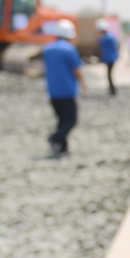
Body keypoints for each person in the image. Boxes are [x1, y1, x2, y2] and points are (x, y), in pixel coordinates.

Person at [42, 18, 86, 157]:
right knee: (71, 120)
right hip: (67, 91)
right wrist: (83, 83)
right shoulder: (69, 49)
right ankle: (55, 138)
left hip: (52, 91)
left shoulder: (47, 49)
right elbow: (77, 69)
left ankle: (63, 148)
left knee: (61, 120)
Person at [96, 18, 119, 96]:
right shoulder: (111, 36)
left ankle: (112, 90)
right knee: (109, 75)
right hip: (111, 58)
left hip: (109, 58)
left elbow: (99, 42)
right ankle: (112, 89)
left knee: (109, 75)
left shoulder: (106, 37)